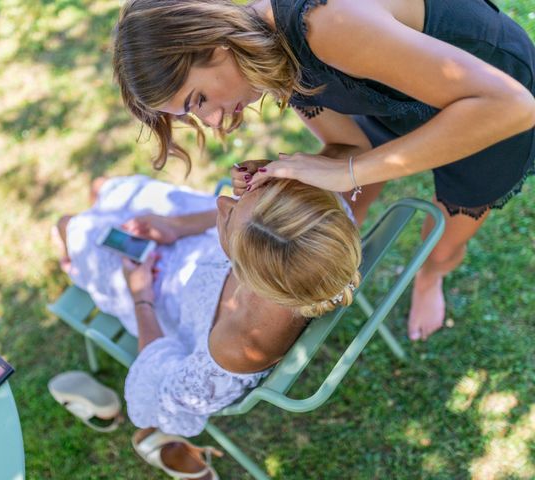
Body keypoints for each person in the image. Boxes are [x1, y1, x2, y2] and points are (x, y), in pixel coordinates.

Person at [112, 0, 535, 341]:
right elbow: (350, 146)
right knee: (358, 182)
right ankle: (348, 255)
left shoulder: (325, 23)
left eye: (198, 101)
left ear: (214, 45)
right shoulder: (267, 56)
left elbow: (513, 107)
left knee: (444, 239)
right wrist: (288, 172)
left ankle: (429, 279)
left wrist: (350, 172)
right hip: (392, 95)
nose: (215, 122)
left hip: (489, 96)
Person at [55, 174, 360, 479]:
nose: (222, 202)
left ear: (244, 271)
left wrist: (140, 296)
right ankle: (83, 246)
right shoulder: (313, 238)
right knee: (104, 186)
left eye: (229, 216)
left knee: (67, 226)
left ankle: (73, 260)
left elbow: (160, 383)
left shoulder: (235, 345)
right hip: (194, 248)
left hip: (162, 291)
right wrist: (178, 225)